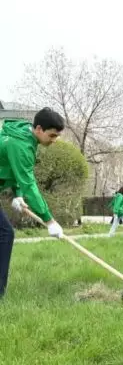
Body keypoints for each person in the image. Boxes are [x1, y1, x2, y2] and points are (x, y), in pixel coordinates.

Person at [0, 107, 65, 298]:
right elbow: (29, 183)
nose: (54, 141)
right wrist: (49, 220)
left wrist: (17, 194)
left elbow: (13, 169)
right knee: (5, 234)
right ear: (38, 129)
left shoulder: (22, 136)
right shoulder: (21, 145)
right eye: (52, 136)